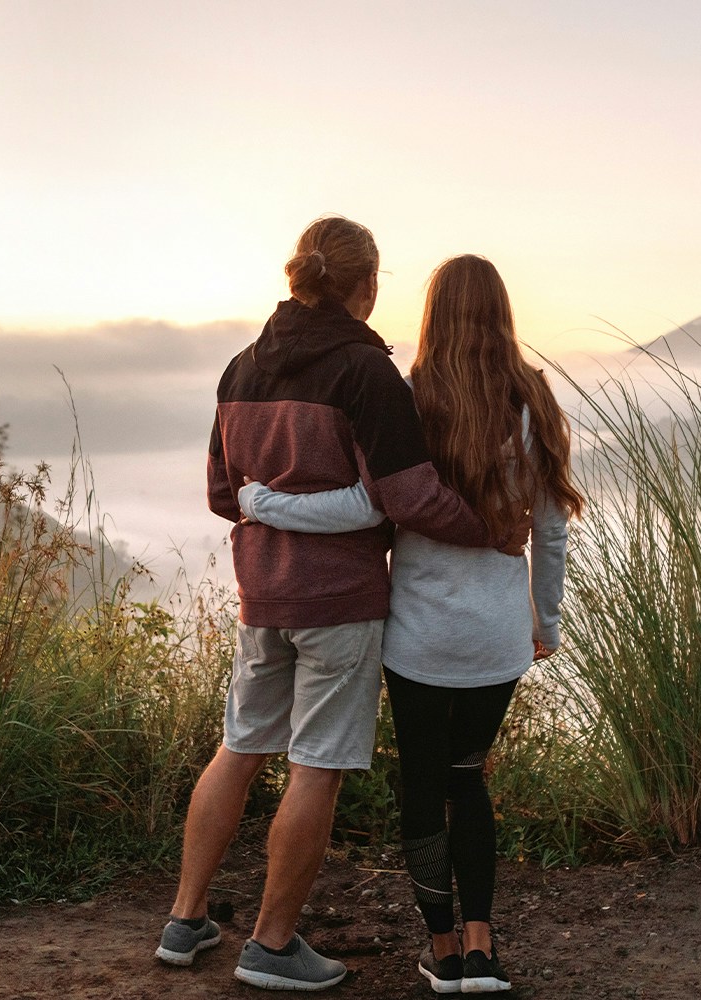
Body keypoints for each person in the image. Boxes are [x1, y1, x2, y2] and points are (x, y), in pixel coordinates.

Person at [160, 218, 518, 992]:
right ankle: (272, 944)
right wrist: (488, 526)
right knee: (316, 766)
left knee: (240, 745)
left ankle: (185, 920)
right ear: (367, 286)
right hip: (340, 602)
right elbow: (407, 494)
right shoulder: (366, 373)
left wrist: (272, 505)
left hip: (263, 595)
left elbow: (227, 495)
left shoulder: (239, 370)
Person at [238, 254, 582, 994]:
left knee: (423, 783)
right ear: (502, 312)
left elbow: (385, 510)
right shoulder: (537, 400)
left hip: (417, 631)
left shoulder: (410, 397)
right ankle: (485, 948)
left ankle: (443, 949)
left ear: (432, 313)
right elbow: (550, 532)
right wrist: (543, 618)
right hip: (495, 632)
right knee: (469, 779)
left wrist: (269, 507)